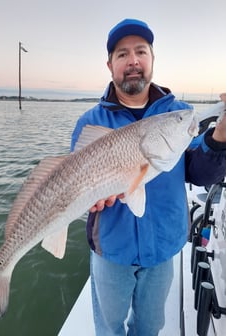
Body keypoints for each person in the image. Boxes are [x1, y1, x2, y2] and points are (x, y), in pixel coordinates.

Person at [70, 18, 226, 336]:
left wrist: (220, 136)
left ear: (152, 59)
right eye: (122, 54)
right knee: (109, 328)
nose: (133, 61)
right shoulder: (90, 123)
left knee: (150, 326)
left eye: (141, 51)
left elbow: (199, 173)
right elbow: (78, 186)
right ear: (110, 64)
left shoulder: (178, 114)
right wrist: (92, 200)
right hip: (112, 250)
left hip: (163, 248)